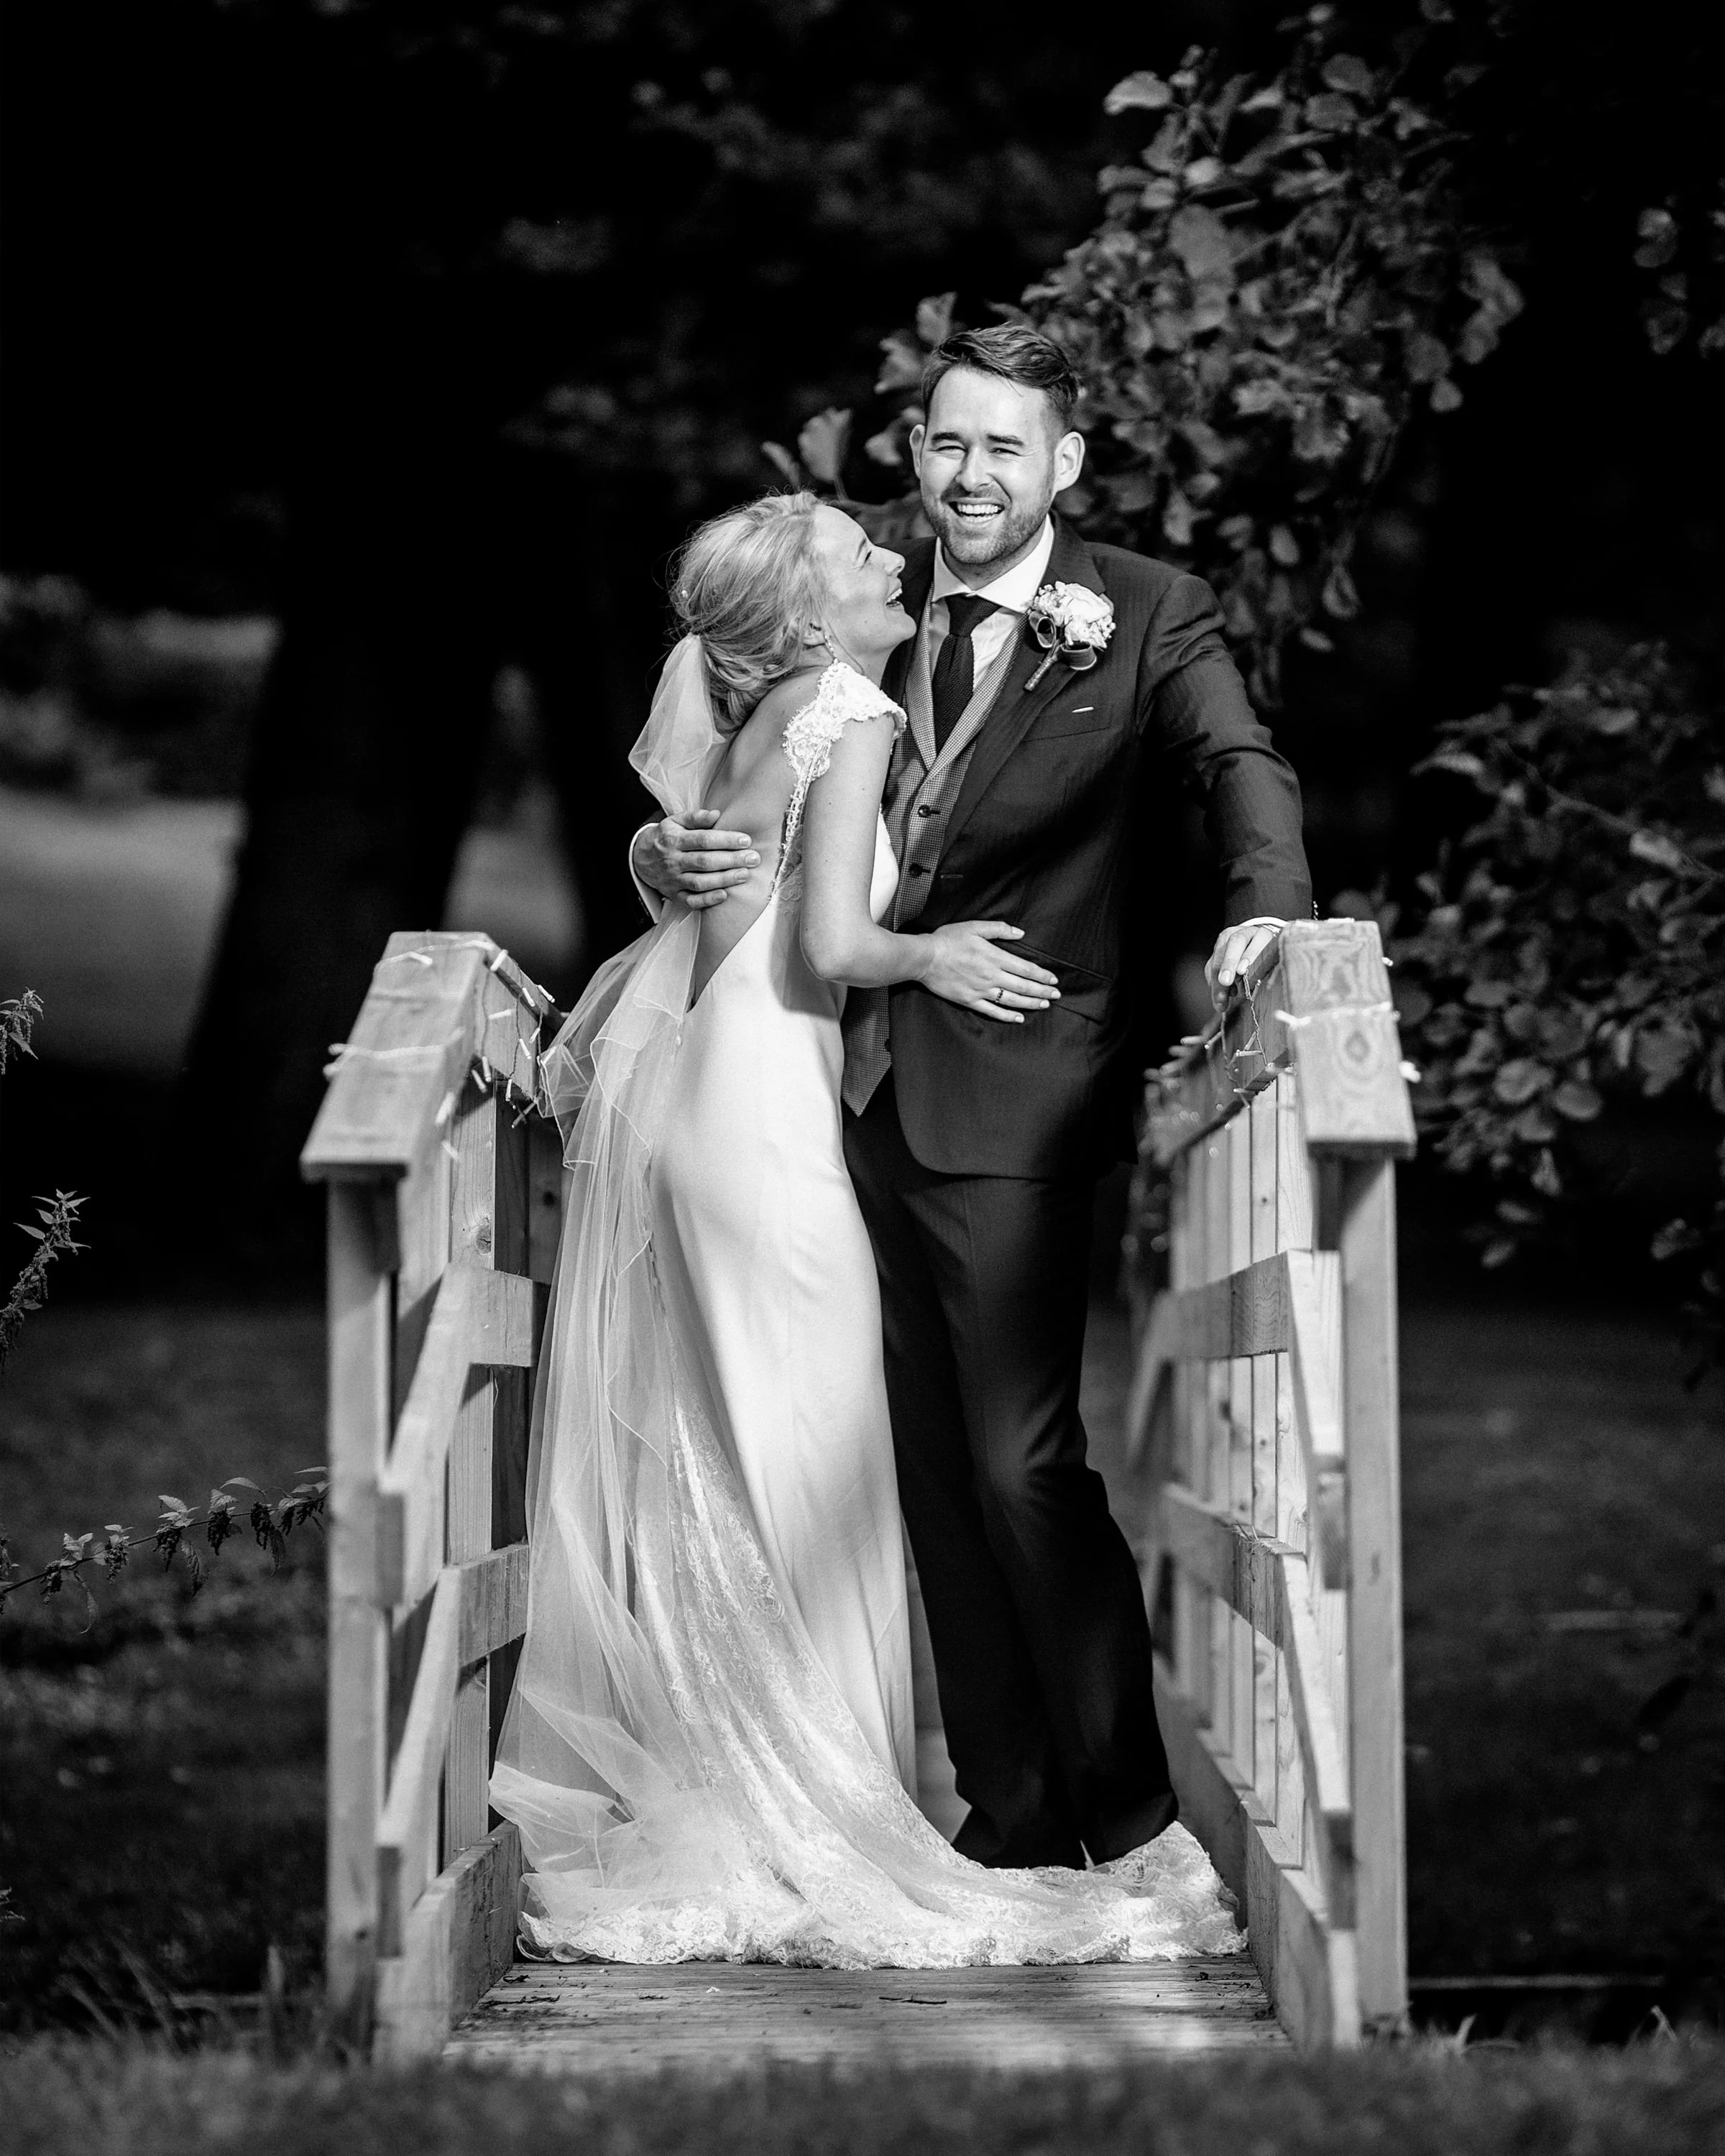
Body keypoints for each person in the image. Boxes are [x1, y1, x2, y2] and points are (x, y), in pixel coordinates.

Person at [489, 479, 1243, 1965]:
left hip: (722, 1095)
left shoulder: (771, 712)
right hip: (770, 1118)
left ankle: (762, 1794)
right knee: (814, 1456)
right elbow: (832, 943)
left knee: (744, 1453)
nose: (888, 552)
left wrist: (669, 861)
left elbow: (713, 884)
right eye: (853, 552)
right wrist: (937, 951)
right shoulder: (851, 704)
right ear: (806, 611)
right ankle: (822, 1821)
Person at [630, 323, 1311, 1872]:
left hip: (1018, 1093)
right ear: (915, 454)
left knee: (1019, 1456)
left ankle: (1126, 1823)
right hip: (824, 1099)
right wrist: (655, 857)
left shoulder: (1143, 615)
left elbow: (1238, 765)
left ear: (1065, 462)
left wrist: (1268, 902)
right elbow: (744, 773)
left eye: (1009, 447)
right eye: (948, 444)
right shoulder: (856, 601)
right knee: (930, 1475)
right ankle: (1009, 1817)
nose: (972, 474)